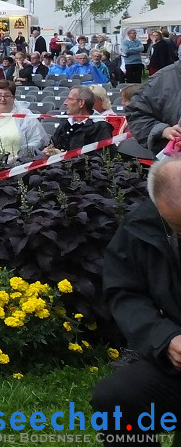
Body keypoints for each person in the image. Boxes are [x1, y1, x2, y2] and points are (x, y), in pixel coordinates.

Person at [91, 159, 181, 443]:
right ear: (157, 206)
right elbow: (125, 293)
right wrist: (166, 339)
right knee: (116, 402)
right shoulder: (140, 226)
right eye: (178, 228)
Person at [0, 80, 48, 162]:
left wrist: (20, 156)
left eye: (7, 96)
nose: (2, 99)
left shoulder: (25, 115)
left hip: (15, 165)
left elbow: (37, 140)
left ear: (13, 97)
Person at [44, 87, 114, 154]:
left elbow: (101, 159)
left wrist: (64, 157)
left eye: (69, 99)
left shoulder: (100, 127)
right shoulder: (65, 122)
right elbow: (52, 144)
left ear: (81, 103)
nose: (65, 103)